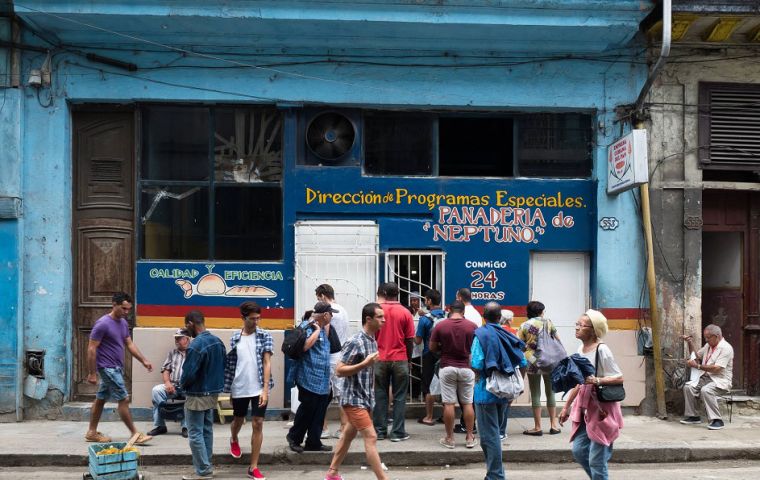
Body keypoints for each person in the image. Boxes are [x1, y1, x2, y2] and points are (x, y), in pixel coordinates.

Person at [324, 303, 389, 480]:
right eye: (380, 317)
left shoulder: (372, 340)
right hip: (353, 399)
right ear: (368, 319)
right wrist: (364, 364)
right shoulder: (355, 341)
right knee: (371, 437)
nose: (384, 320)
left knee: (347, 436)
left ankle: (332, 473)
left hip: (365, 398)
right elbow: (339, 370)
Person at [559, 309, 624, 480]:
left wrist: (597, 381)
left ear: (594, 330)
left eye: (581, 325)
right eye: (577, 324)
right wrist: (566, 407)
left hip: (602, 409)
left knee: (596, 460)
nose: (577, 328)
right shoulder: (581, 348)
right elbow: (579, 382)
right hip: (584, 407)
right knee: (579, 451)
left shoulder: (602, 350)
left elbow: (619, 377)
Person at [85, 292, 153, 445]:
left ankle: (91, 432)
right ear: (114, 305)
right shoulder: (102, 324)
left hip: (117, 367)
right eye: (123, 308)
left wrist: (143, 360)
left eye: (128, 309)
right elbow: (91, 349)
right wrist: (92, 373)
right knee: (123, 398)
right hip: (108, 368)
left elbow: (129, 344)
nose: (126, 312)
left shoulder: (122, 323)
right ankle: (135, 434)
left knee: (101, 398)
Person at [471, 302, 526, 480]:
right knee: (496, 433)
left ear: (483, 316)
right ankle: (494, 473)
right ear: (499, 317)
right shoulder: (508, 334)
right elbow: (523, 362)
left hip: (485, 392)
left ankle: (495, 475)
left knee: (489, 437)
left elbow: (477, 363)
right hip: (505, 392)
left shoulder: (480, 335)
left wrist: (478, 374)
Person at [224, 301, 274, 480]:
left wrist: (265, 389)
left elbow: (267, 362)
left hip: (259, 386)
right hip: (239, 386)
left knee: (258, 422)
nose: (256, 322)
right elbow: (233, 364)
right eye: (252, 319)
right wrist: (229, 389)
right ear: (243, 318)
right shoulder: (235, 337)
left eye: (258, 318)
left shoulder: (265, 336)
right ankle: (234, 438)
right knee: (238, 420)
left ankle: (253, 467)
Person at [180, 310, 227, 480]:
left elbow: (188, 374)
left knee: (195, 433)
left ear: (191, 323)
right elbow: (225, 365)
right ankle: (206, 466)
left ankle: (203, 471)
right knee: (207, 430)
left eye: (187, 326)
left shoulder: (196, 345)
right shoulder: (218, 342)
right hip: (213, 393)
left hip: (197, 393)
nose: (187, 330)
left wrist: (181, 385)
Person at [287, 302, 336, 453]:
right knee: (307, 409)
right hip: (308, 377)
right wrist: (316, 331)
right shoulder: (308, 327)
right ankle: (294, 438)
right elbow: (304, 346)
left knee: (320, 410)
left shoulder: (324, 327)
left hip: (322, 378)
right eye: (331, 314)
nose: (332, 317)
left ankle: (314, 441)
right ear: (325, 315)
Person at [430, 301, 477, 449]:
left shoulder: (441, 326)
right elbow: (476, 348)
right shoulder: (472, 326)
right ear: (463, 311)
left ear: (449, 310)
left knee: (449, 404)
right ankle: (469, 437)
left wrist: (442, 350)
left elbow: (431, 347)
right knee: (468, 403)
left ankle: (450, 439)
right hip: (466, 368)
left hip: (447, 367)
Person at [373, 282, 415, 442]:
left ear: (384, 292)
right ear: (398, 293)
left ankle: (380, 431)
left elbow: (370, 335)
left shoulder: (376, 310)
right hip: (400, 358)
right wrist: (409, 360)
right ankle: (398, 433)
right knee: (399, 396)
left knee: (380, 395)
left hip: (380, 358)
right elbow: (409, 339)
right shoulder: (405, 312)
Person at [517, 300, 561, 435]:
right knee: (550, 392)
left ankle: (537, 427)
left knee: (535, 394)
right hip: (549, 360)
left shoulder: (524, 325)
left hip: (533, 361)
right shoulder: (548, 322)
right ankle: (554, 425)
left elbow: (519, 343)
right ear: (541, 311)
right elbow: (557, 339)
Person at [679, 324, 734, 430]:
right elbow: (696, 356)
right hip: (706, 378)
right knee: (688, 387)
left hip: (720, 380)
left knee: (706, 390)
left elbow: (717, 368)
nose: (706, 340)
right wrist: (690, 342)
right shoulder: (708, 346)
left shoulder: (726, 348)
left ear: (717, 336)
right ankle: (693, 416)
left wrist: (698, 366)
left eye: (708, 337)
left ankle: (717, 420)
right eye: (705, 337)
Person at [316, 284, 350, 440]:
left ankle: (323, 428)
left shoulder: (326, 311)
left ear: (322, 296)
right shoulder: (343, 310)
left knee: (322, 393)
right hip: (341, 356)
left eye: (318, 297)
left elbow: (325, 332)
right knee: (341, 394)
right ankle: (343, 428)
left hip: (327, 356)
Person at [148, 328, 190, 438]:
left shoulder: (194, 352)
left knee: (192, 396)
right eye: (176, 339)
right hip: (173, 386)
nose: (176, 341)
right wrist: (167, 383)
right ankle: (161, 425)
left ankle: (186, 426)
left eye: (179, 338)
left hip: (189, 386)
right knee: (156, 391)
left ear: (187, 339)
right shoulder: (172, 353)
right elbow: (165, 369)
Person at [414, 289, 446, 426]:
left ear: (430, 301)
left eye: (425, 300)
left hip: (429, 355)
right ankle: (445, 415)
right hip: (444, 355)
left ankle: (429, 416)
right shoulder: (447, 316)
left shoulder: (424, 319)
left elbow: (418, 341)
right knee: (446, 385)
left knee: (428, 386)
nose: (424, 302)